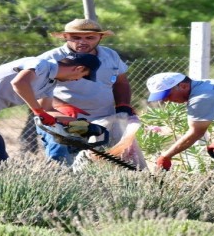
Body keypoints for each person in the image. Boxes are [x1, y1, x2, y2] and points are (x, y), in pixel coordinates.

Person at [37, 18, 139, 165]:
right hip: (60, 120)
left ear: (100, 37)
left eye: (90, 37)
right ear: (65, 36)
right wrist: (59, 106)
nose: (82, 42)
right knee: (60, 159)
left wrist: (123, 105)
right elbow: (34, 89)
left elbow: (121, 82)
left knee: (110, 162)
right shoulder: (50, 58)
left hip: (104, 120)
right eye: (76, 37)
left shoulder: (111, 55)